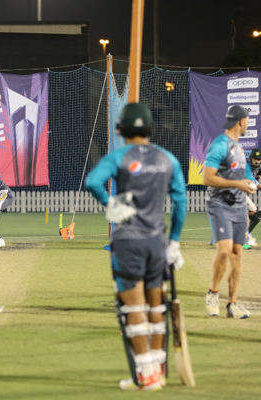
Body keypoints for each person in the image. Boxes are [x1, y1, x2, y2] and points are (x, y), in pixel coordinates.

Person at [85, 102, 187, 391]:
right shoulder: (168, 159)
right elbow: (180, 202)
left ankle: (145, 373)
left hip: (128, 241)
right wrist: (175, 242)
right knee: (156, 307)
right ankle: (155, 369)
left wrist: (111, 205)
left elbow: (93, 182)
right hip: (157, 242)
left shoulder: (119, 156)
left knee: (134, 308)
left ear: (122, 130)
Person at [203, 105, 257, 319]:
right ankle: (213, 293)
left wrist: (247, 189)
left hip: (238, 207)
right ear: (241, 121)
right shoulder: (220, 145)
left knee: (237, 254)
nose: (248, 124)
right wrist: (239, 184)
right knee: (224, 251)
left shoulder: (239, 148)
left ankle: (232, 304)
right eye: (248, 120)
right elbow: (207, 178)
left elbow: (239, 182)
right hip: (219, 205)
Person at [244, 148, 261, 249]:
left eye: (259, 159)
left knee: (254, 214)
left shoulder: (260, 165)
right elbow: (254, 183)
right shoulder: (245, 167)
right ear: (250, 159)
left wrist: (260, 177)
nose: (256, 161)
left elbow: (260, 170)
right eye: (254, 159)